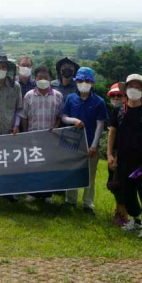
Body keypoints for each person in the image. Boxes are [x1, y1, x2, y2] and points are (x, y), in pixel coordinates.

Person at [107, 74, 142, 240]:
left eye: (137, 87)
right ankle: (135, 220)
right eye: (131, 86)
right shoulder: (119, 110)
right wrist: (109, 154)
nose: (133, 90)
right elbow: (112, 133)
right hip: (123, 159)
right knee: (127, 192)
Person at [62, 67, 108, 214]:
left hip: (90, 144)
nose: (83, 83)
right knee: (71, 172)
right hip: (72, 142)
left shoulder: (99, 102)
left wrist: (94, 145)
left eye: (87, 81)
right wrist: (73, 120)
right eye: (80, 80)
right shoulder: (70, 98)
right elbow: (63, 117)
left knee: (90, 176)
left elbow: (100, 124)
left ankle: (88, 204)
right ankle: (71, 200)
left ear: (92, 83)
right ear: (76, 82)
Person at [19, 66, 63, 202]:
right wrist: (26, 135)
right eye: (39, 78)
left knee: (49, 166)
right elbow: (24, 117)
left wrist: (55, 128)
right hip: (33, 137)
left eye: (46, 77)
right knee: (34, 166)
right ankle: (33, 193)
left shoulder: (57, 95)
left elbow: (60, 117)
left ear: (51, 79)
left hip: (50, 138)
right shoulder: (29, 96)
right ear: (35, 79)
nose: (42, 80)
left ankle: (47, 195)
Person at [106, 83, 128, 226]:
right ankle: (119, 211)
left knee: (122, 184)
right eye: (113, 96)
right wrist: (109, 154)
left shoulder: (129, 112)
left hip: (125, 154)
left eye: (119, 95)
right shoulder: (115, 111)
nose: (116, 98)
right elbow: (111, 133)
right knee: (113, 183)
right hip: (113, 153)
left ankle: (123, 215)